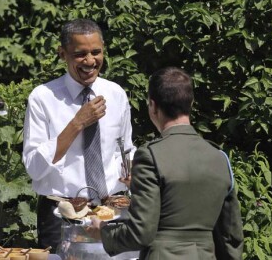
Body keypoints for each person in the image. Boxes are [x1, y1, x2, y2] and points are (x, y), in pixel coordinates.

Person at [88, 67, 244, 259]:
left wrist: (104, 232)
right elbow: (231, 235)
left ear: (152, 106)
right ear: (191, 103)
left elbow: (141, 232)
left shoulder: (150, 156)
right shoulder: (220, 159)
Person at [22, 19, 135, 251]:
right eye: (80, 54)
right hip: (61, 214)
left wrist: (132, 172)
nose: (90, 61)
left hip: (110, 211)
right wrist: (77, 123)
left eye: (96, 52)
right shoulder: (43, 98)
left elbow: (125, 150)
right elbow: (34, 167)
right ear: (62, 54)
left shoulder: (115, 94)